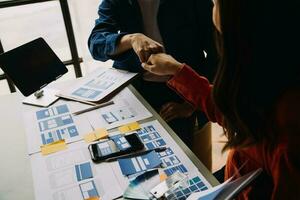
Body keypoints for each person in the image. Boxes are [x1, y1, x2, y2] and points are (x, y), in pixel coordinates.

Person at [141, 0, 300, 199]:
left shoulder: (289, 137)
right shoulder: (271, 76)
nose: (210, 5)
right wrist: (177, 71)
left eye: (215, 3)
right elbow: (237, 114)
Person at [88, 0, 218, 149]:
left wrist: (192, 104)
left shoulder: (193, 3)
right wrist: (131, 39)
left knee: (184, 155)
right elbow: (96, 43)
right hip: (134, 90)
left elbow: (218, 54)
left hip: (182, 92)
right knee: (131, 153)